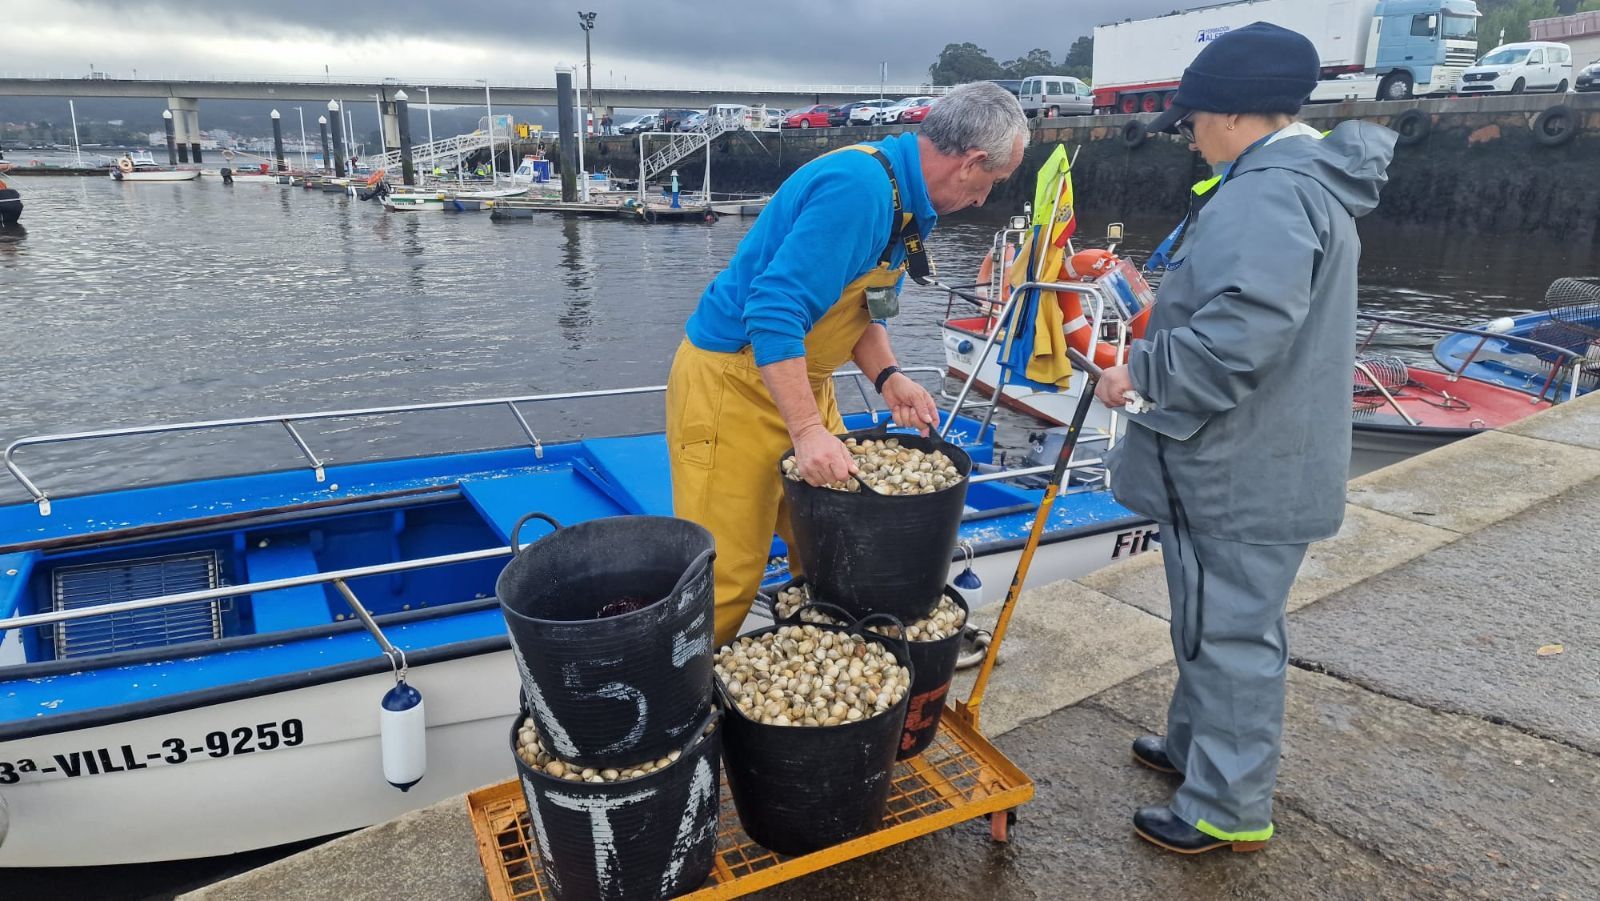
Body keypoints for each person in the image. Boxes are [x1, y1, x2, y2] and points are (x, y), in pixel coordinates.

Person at [1096, 22, 1396, 855]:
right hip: (1259, 452)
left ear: (1231, 116)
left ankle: (1225, 807)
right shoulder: (1302, 181)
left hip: (1241, 465)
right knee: (1211, 616)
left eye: (1191, 121)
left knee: (1231, 632)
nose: (1189, 138)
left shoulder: (1266, 193)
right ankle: (1197, 750)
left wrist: (1141, 373)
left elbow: (1240, 334)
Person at [665, 81, 1029, 647]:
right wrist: (808, 432)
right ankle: (677, 722)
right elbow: (773, 311)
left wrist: (889, 378)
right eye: (992, 182)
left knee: (831, 543)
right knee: (727, 574)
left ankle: (810, 677)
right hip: (731, 384)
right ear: (971, 163)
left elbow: (861, 307)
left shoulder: (907, 201)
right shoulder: (860, 189)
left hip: (799, 380)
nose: (985, 198)